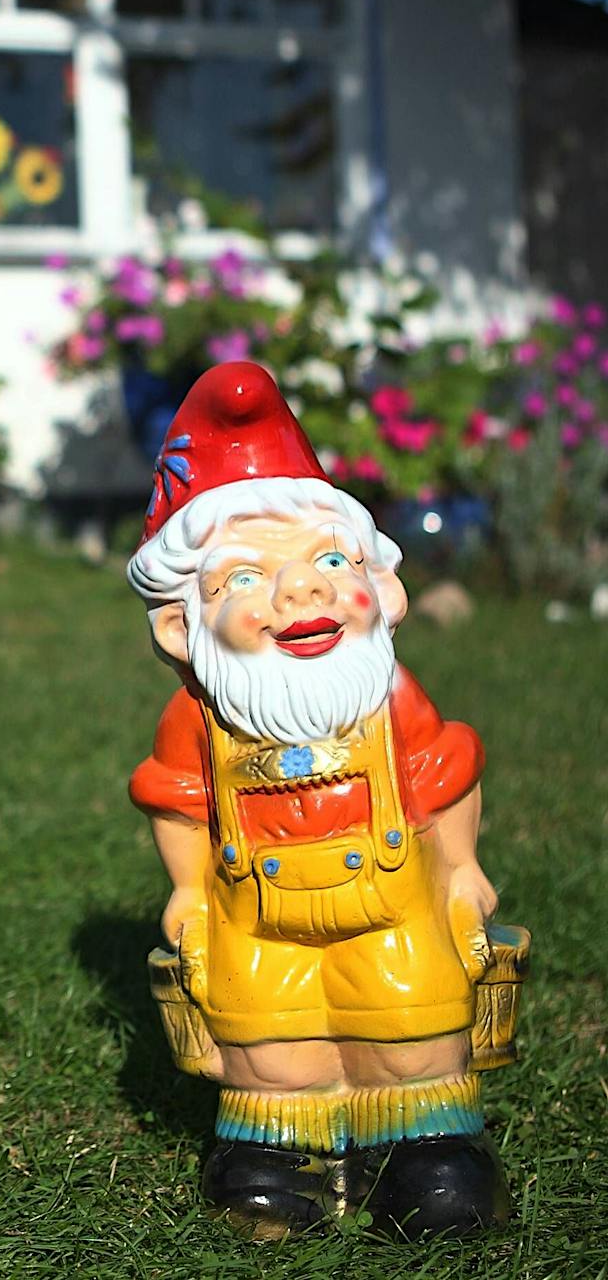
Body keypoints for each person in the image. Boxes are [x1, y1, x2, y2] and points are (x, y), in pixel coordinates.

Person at [126, 362, 524, 1238]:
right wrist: (188, 890)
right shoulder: (197, 716)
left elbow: (443, 774)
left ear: (382, 591)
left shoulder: (391, 700)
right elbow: (181, 801)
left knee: (411, 1023)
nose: (300, 591)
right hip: (255, 916)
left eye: (329, 561)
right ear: (179, 627)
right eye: (245, 579)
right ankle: (281, 1158)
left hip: (393, 907)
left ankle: (425, 1151)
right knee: (270, 1041)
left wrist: (460, 868)